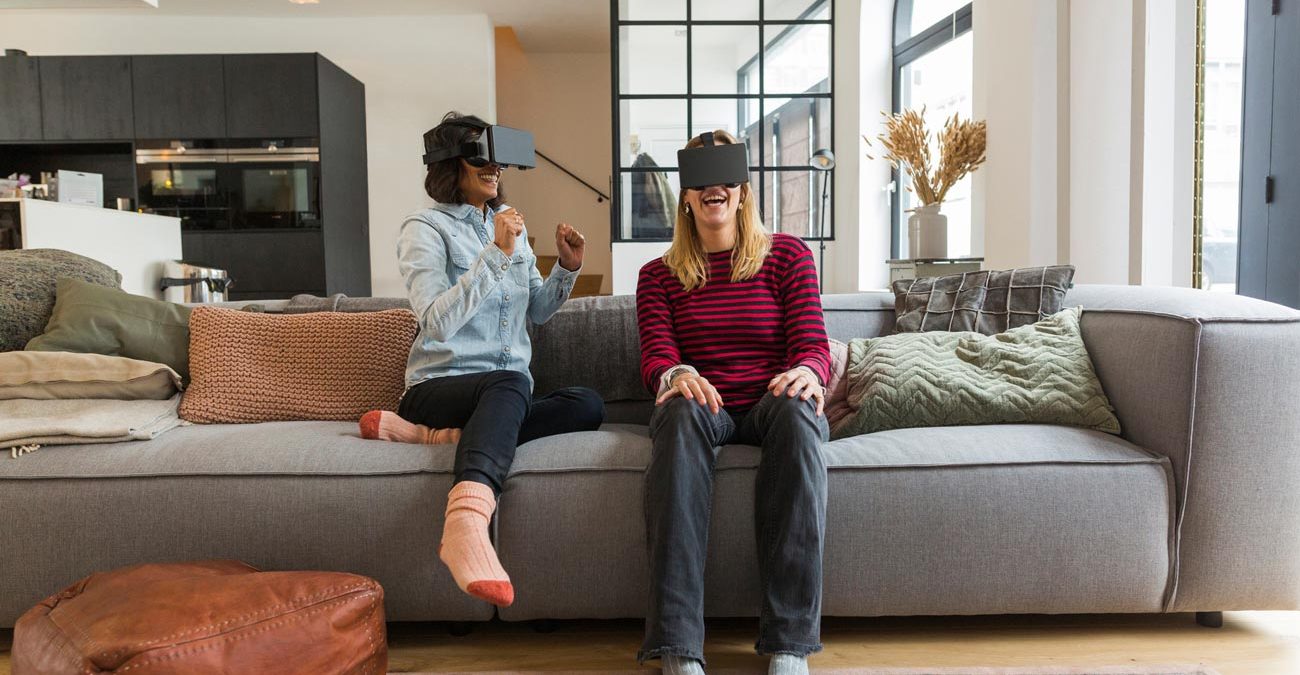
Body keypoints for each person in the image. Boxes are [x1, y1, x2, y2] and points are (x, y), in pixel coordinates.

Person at [360, 112, 605, 608]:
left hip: (497, 397)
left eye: (497, 158)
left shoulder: (508, 221)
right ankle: (467, 522)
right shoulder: (424, 228)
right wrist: (495, 253)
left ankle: (441, 440)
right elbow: (435, 321)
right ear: (453, 164)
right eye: (480, 156)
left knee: (588, 405)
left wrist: (566, 268)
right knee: (511, 383)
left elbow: (536, 310)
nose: (493, 167)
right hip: (439, 387)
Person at [635, 130, 832, 675]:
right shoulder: (657, 276)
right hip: (706, 402)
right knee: (675, 409)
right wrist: (676, 373)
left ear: (743, 192)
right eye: (701, 179)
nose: (714, 188)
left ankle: (789, 644)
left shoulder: (788, 257)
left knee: (800, 412)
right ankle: (676, 648)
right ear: (687, 196)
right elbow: (656, 357)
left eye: (727, 177)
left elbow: (814, 345)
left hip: (773, 397)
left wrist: (807, 371)